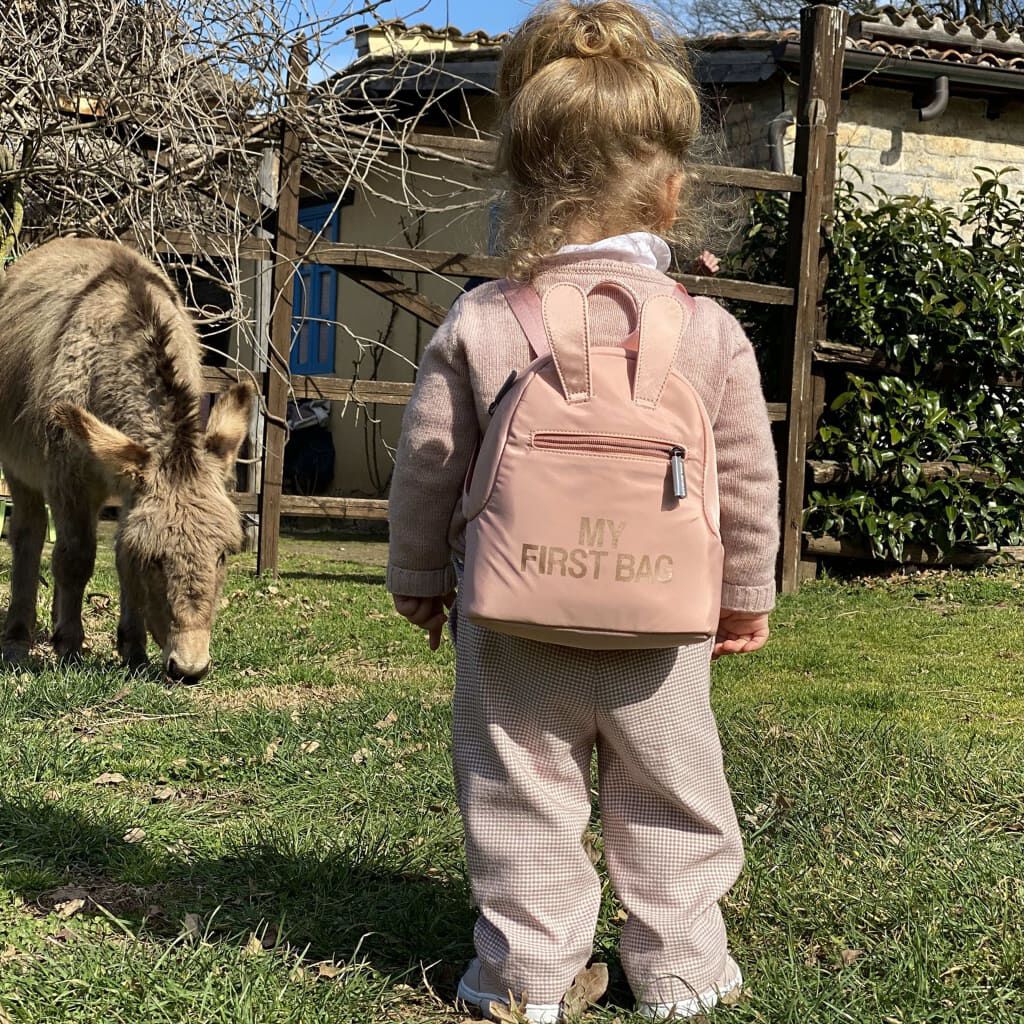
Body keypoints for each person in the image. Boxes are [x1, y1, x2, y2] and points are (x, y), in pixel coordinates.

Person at [386, 2, 779, 1019]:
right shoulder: (708, 332)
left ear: (518, 183)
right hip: (663, 626)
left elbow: (431, 462)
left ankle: (522, 979)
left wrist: (422, 578)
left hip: (511, 625)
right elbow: (744, 473)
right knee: (673, 797)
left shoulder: (482, 320)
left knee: (519, 797)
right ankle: (679, 969)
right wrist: (743, 595)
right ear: (671, 188)